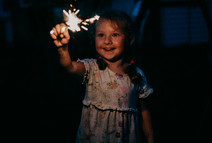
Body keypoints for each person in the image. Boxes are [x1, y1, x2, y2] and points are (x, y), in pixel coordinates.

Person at [50, 9, 154, 143]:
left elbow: (145, 113)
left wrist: (150, 137)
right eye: (101, 35)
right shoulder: (92, 68)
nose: (107, 41)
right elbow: (69, 67)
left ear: (129, 39)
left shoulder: (137, 75)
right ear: (94, 38)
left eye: (115, 34)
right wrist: (62, 49)